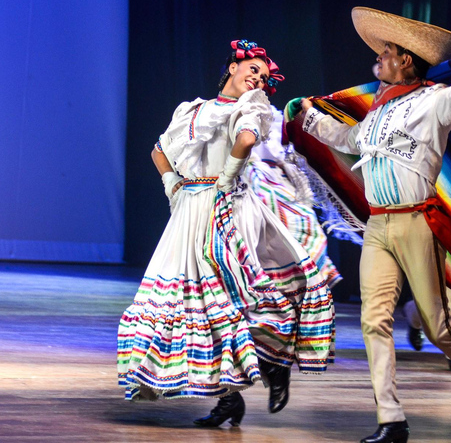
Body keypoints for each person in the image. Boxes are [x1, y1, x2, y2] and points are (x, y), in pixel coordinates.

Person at [287, 7, 451, 443]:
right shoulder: (379, 110)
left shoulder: (435, 101)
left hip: (417, 223)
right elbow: (350, 140)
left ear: (405, 60)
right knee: (374, 321)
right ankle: (391, 420)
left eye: (385, 51)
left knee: (438, 327)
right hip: (378, 228)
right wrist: (309, 117)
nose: (379, 58)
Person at [117, 40, 334, 427]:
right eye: (253, 70)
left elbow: (247, 140)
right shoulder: (193, 110)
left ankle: (272, 364)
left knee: (231, 297)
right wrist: (171, 183)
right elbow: (158, 150)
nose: (258, 79)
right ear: (233, 67)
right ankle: (229, 397)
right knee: (198, 304)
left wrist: (227, 178)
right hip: (190, 210)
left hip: (229, 207)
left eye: (264, 78)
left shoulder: (249, 107)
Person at [244, 105, 343, 289]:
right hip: (258, 179)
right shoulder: (251, 162)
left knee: (306, 221)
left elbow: (282, 152)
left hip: (279, 178)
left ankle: (302, 281)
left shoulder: (286, 164)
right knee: (273, 225)